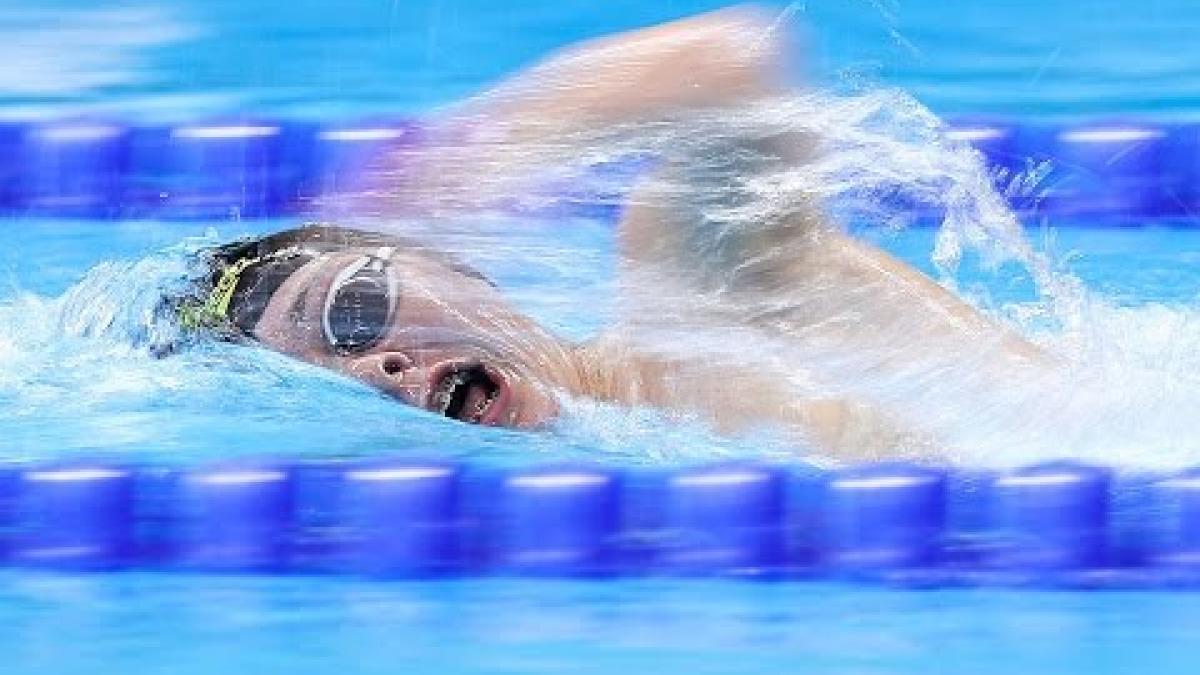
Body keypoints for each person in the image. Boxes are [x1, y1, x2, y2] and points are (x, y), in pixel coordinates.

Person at [176, 7, 1052, 459]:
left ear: (454, 261)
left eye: (356, 310)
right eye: (329, 385)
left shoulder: (692, 283)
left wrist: (483, 149)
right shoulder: (631, 466)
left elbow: (737, 62)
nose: (378, 366)